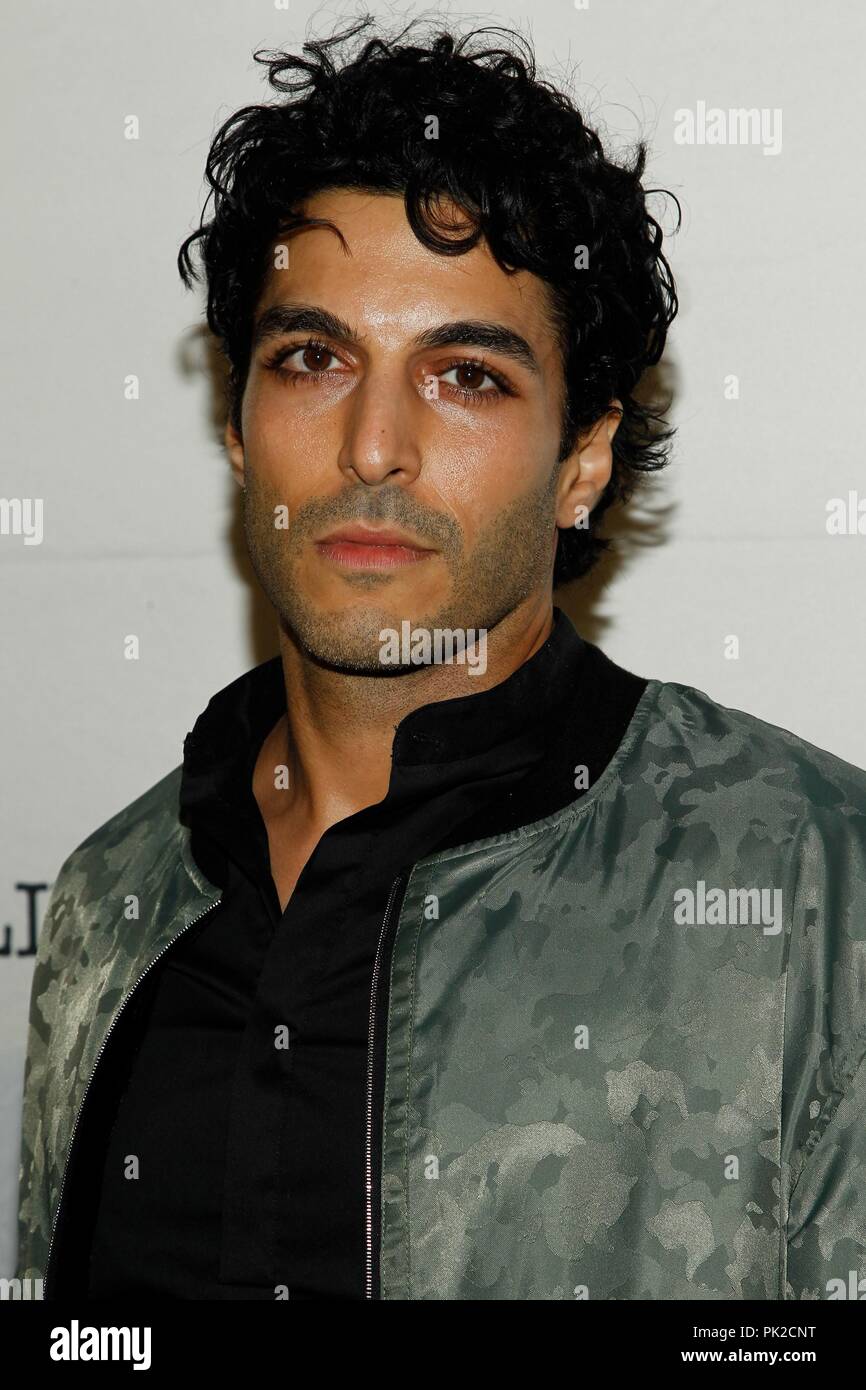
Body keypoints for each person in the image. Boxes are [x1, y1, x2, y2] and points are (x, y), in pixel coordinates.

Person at [17, 16, 866, 1302]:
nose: (370, 446)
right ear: (239, 424)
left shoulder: (819, 888)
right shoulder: (107, 907)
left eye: (463, 375)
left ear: (582, 454)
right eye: (311, 358)